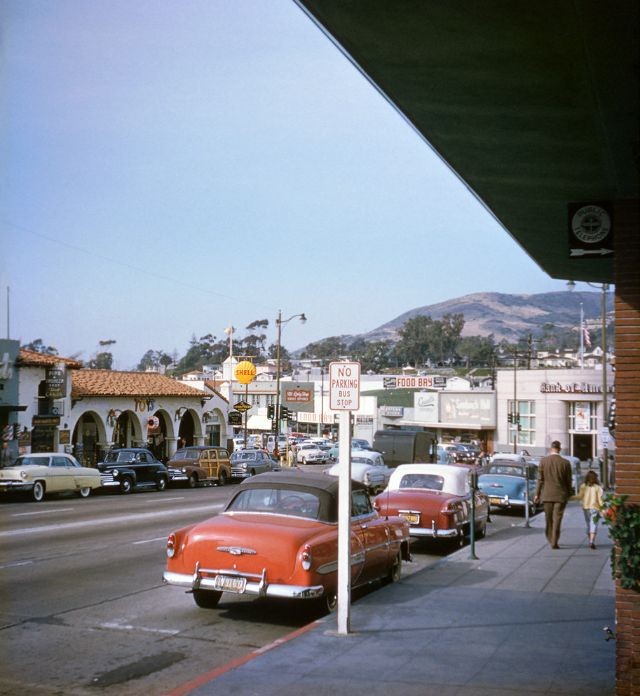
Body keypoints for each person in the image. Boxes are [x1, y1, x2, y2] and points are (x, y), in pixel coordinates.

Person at [534, 440, 573, 549]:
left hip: (547, 495)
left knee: (548, 518)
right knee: (557, 519)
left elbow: (540, 480)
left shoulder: (543, 461)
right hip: (560, 495)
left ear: (551, 449)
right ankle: (554, 541)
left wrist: (537, 494)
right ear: (559, 449)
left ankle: (550, 537)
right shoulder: (565, 463)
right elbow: (568, 481)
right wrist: (569, 493)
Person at [578, 470, 604, 549]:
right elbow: (600, 500)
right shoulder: (598, 488)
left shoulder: (583, 486)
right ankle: (591, 541)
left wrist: (569, 497)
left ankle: (590, 541)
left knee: (588, 524)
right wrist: (603, 509)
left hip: (586, 508)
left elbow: (579, 496)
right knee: (594, 524)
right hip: (595, 508)